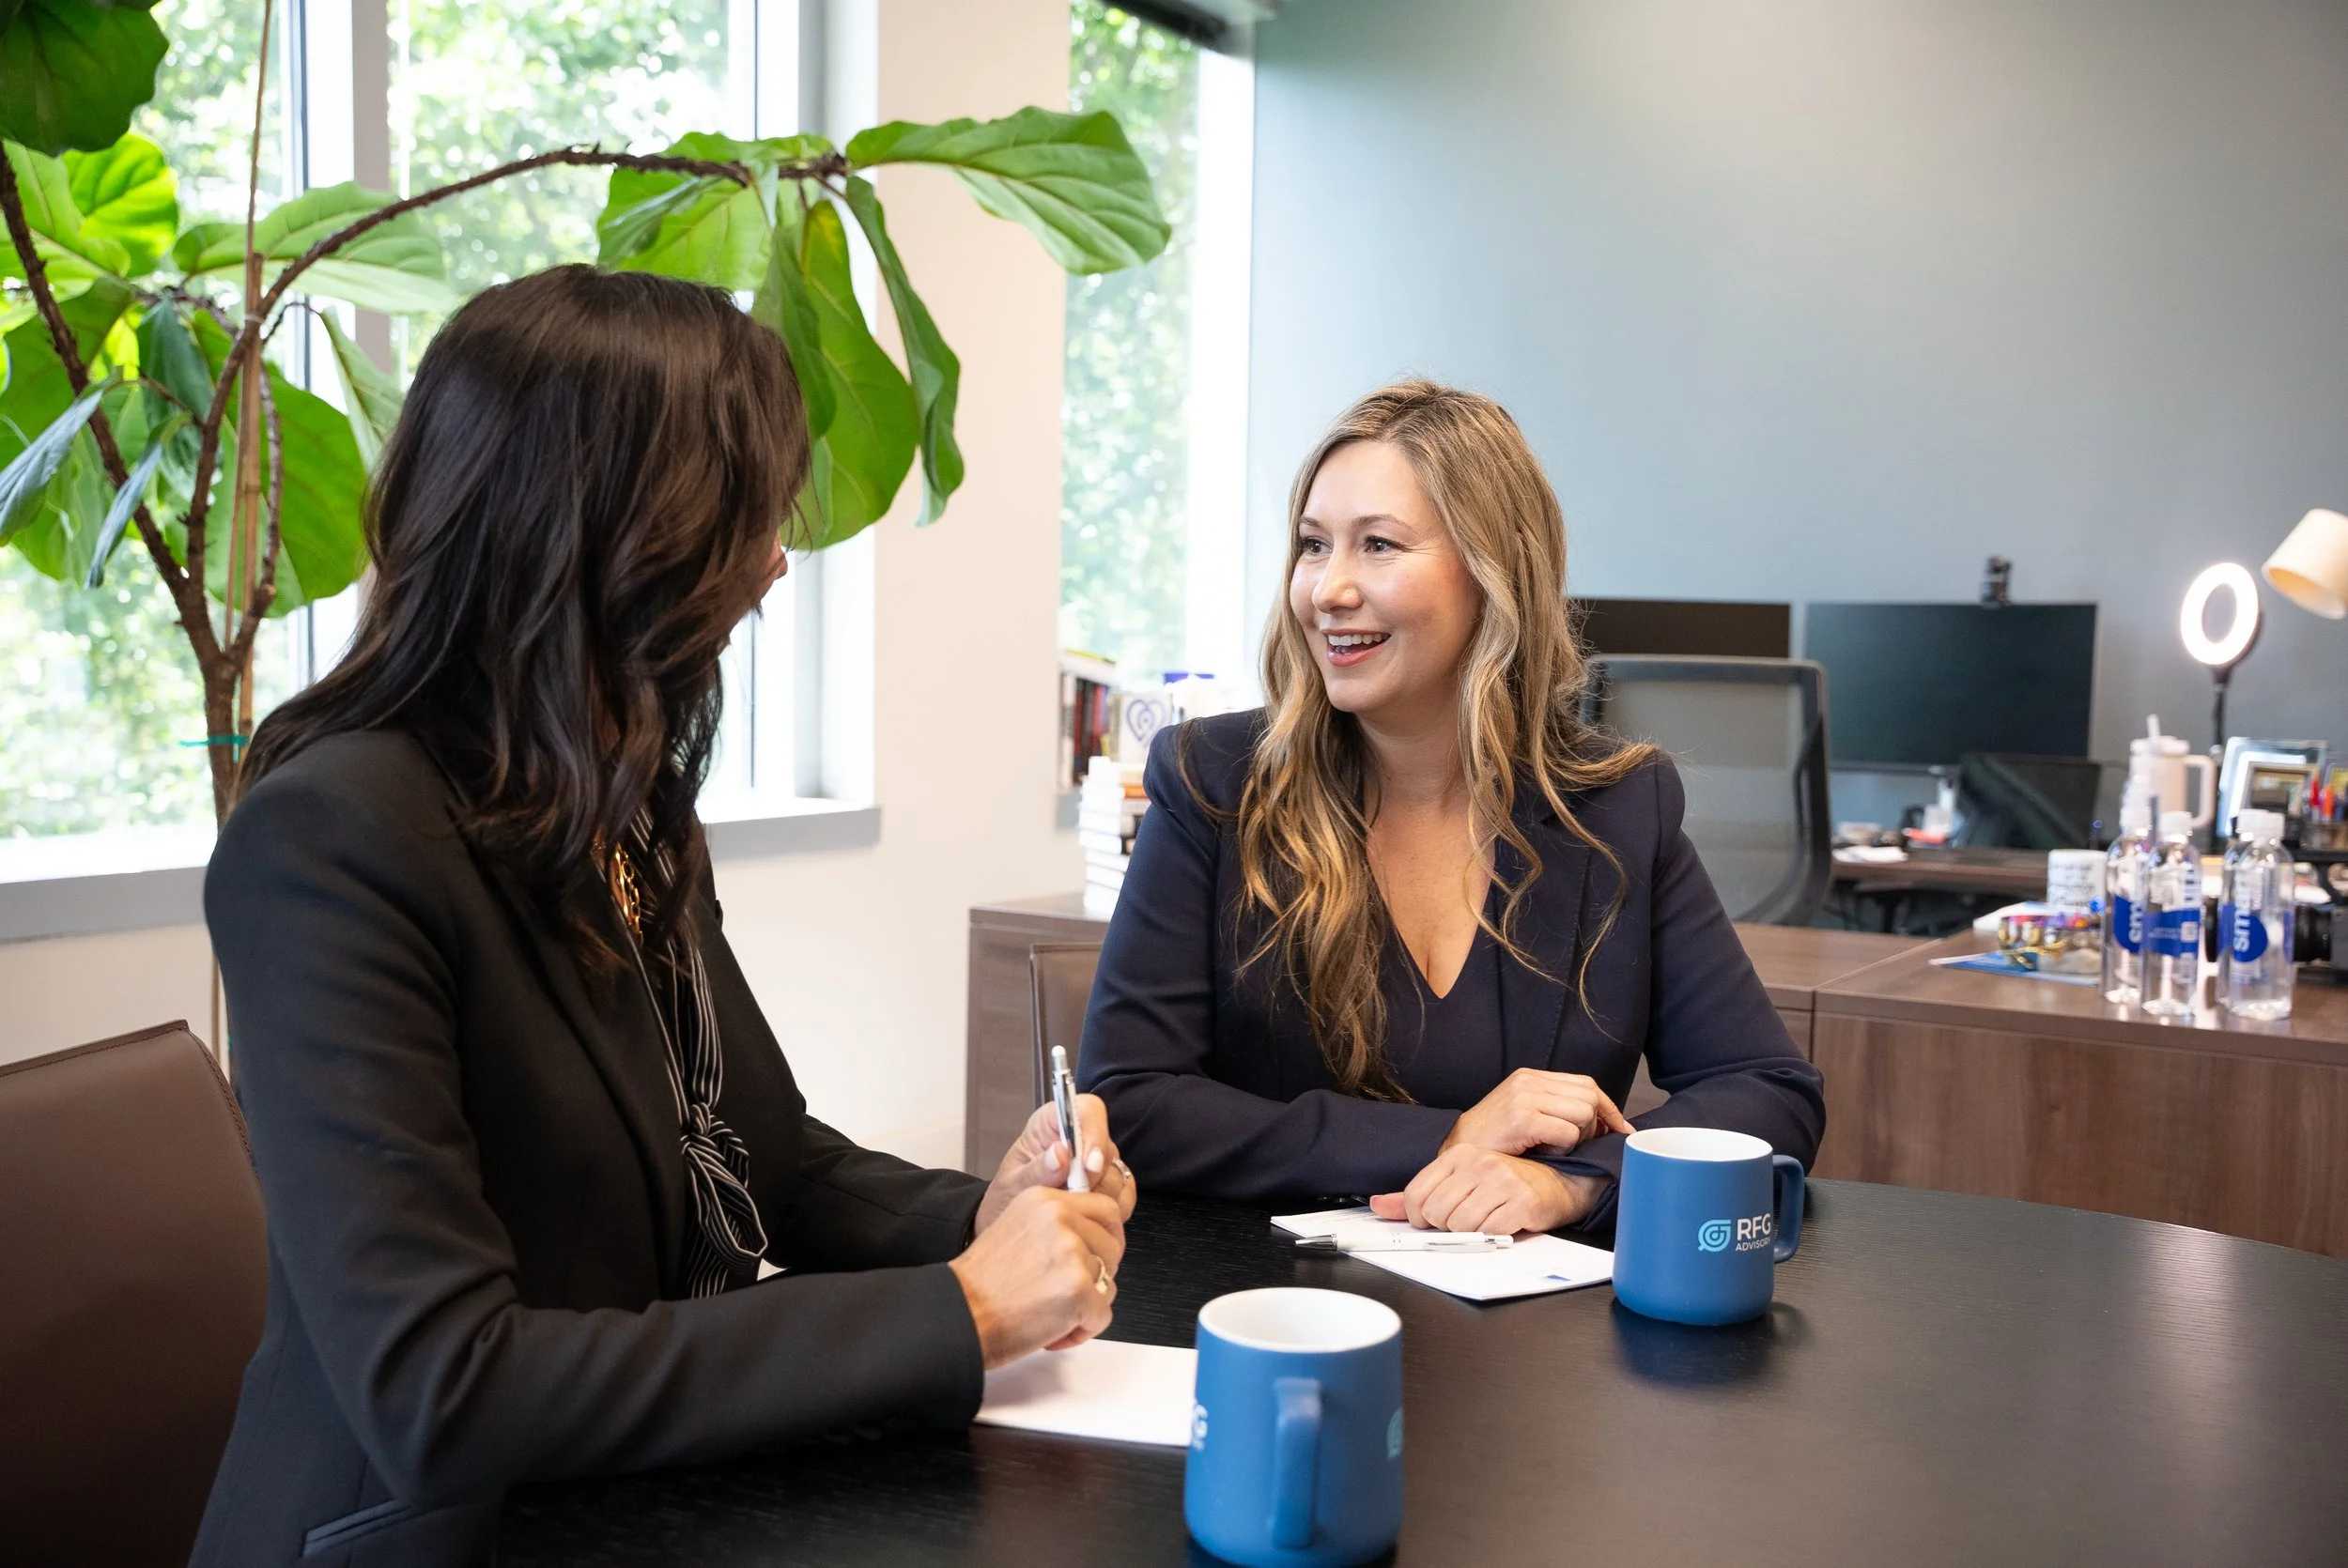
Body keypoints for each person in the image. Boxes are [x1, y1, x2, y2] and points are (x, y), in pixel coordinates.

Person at [193, 267, 1135, 1567]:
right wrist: (963, 1310)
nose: (774, 563)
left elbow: (756, 1156)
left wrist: (982, 1217)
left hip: (638, 1497)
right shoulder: (330, 840)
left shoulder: (614, 802)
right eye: (746, 516)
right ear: (616, 532)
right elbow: (442, 1388)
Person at [1079, 379, 1822, 1235]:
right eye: (1314, 545)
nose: (1328, 589)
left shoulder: (1613, 806)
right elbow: (1126, 1103)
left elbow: (1769, 1091)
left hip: (1528, 1309)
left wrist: (1579, 1184)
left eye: (1379, 545)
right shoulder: (1215, 781)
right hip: (1263, 1292)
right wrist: (1448, 1140)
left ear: (1493, 569)